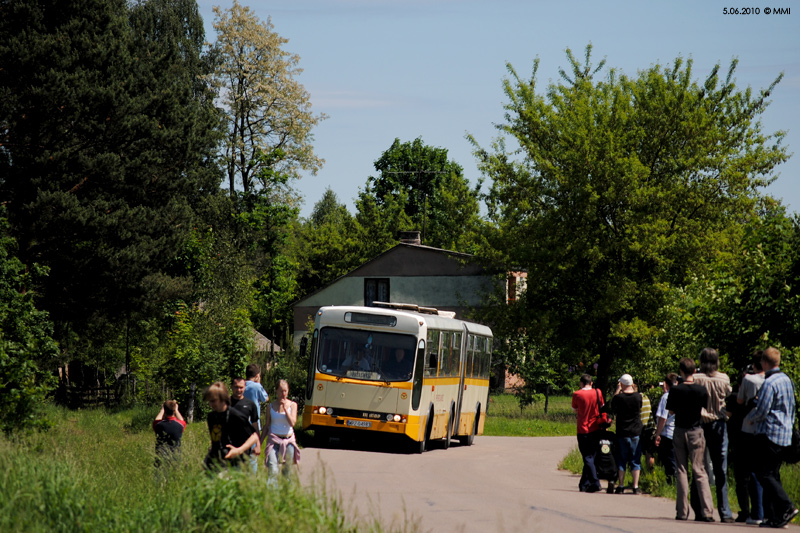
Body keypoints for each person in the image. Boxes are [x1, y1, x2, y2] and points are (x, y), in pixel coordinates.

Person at [743, 347, 799, 528]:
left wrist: (749, 419)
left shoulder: (770, 383)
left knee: (763, 473)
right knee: (773, 474)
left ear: (764, 363)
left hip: (770, 433)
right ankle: (775, 516)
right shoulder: (787, 380)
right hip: (785, 433)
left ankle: (787, 506)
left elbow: (762, 410)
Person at [668, 357, 715, 522]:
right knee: (699, 470)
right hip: (696, 430)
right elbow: (706, 408)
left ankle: (682, 511)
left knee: (681, 470)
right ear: (695, 371)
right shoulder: (701, 390)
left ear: (681, 371)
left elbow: (671, 412)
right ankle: (707, 511)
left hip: (680, 430)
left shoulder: (675, 390)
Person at [692, 347, 734, 523]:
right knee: (720, 468)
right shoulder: (723, 378)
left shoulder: (696, 379)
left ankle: (700, 509)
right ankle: (725, 511)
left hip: (700, 424)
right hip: (719, 424)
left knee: (698, 467)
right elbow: (731, 398)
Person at [731, 351, 764, 524]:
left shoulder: (740, 396)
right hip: (753, 434)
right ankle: (750, 510)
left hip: (743, 435)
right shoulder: (766, 383)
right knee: (750, 475)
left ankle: (748, 511)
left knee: (744, 476)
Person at [203, 381, 260, 471]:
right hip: (217, 461)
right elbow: (215, 439)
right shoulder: (211, 417)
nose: (211, 404)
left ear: (222, 398)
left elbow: (254, 436)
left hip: (236, 462)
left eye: (213, 401)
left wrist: (239, 450)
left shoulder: (235, 415)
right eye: (210, 401)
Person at [262, 379, 301, 485]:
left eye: (285, 391)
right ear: (276, 391)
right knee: (273, 469)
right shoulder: (270, 407)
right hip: (273, 440)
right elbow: (266, 425)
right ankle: (272, 495)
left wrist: (285, 408)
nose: (283, 394)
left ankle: (285, 495)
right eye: (281, 391)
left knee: (287, 472)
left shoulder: (293, 405)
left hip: (288, 441)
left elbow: (292, 423)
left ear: (288, 391)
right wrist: (259, 442)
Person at [571, 374, 605, 493]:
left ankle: (595, 482)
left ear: (581, 383)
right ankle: (584, 484)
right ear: (591, 383)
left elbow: (574, 409)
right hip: (595, 428)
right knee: (591, 456)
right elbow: (602, 406)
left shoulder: (577, 394)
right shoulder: (597, 392)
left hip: (582, 429)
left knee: (587, 457)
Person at [610, 373, 643, 494]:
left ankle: (621, 485)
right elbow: (639, 407)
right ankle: (635, 486)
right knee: (635, 460)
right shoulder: (638, 397)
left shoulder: (619, 398)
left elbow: (612, 405)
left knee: (621, 459)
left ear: (622, 384)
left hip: (622, 432)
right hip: (635, 432)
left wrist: (618, 390)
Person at [230, 376, 261, 474]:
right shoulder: (226, 403)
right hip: (228, 444)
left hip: (245, 445)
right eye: (236, 387)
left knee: (243, 474)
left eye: (241, 387)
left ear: (245, 388)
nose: (239, 390)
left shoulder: (250, 405)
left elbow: (255, 426)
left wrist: (258, 444)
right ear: (232, 387)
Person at [654, 373, 678, 484]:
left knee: (669, 461)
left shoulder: (666, 397)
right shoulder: (680, 395)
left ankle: (672, 483)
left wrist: (657, 434)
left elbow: (663, 418)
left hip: (667, 433)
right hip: (678, 432)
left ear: (666, 384)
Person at [153, 400, 185, 468]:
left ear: (164, 409)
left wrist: (162, 410)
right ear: (174, 410)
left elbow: (156, 420)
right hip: (175, 457)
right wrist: (176, 410)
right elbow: (182, 420)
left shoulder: (158, 425)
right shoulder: (180, 425)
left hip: (160, 455)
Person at [244, 363, 269, 431]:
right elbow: (266, 399)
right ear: (257, 376)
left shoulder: (241, 385)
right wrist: (259, 383)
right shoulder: (257, 386)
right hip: (253, 422)